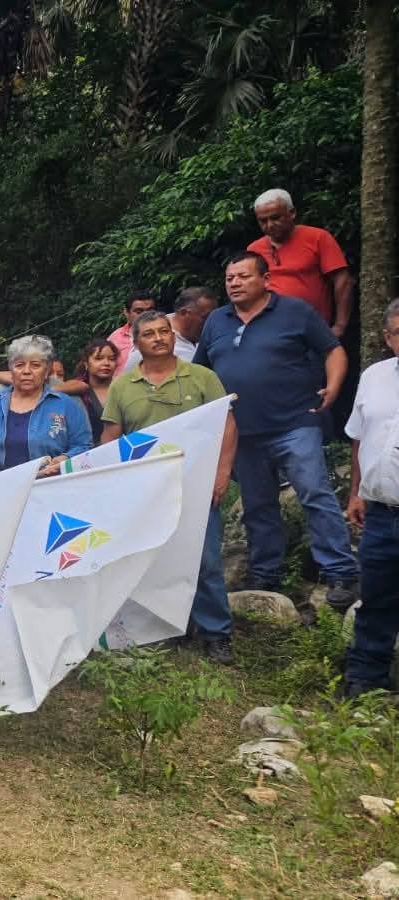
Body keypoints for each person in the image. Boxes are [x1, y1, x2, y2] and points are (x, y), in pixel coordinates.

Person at [194, 251, 358, 609]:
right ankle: (266, 574)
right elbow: (200, 373)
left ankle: (340, 570)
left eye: (243, 276)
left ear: (265, 279)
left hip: (294, 422)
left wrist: (333, 385)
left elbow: (333, 351)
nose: (234, 283)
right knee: (257, 505)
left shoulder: (294, 311)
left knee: (314, 493)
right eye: (229, 278)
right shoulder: (216, 321)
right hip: (242, 432)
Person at [102, 311, 239, 661]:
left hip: (196, 482)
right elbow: (111, 438)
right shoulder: (122, 386)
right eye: (149, 333)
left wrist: (222, 473)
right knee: (153, 558)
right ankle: (165, 626)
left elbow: (227, 425)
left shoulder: (202, 377)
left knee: (204, 558)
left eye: (165, 331)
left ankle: (215, 632)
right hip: (143, 489)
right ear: (136, 343)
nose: (159, 337)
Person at [343, 299, 399, 696]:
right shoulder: (374, 376)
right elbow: (359, 436)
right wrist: (356, 493)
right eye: (398, 333)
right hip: (380, 510)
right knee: (376, 599)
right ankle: (366, 681)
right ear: (387, 337)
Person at [0, 335, 93, 474]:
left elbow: (83, 445)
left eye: (35, 365)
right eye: (19, 365)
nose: (27, 371)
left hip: (50, 486)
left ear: (46, 371)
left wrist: (65, 458)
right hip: (2, 488)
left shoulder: (66, 404)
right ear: (11, 370)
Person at [249, 188, 353, 335]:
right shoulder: (254, 249)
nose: (269, 225)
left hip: (311, 330)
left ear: (292, 213)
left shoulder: (317, 238)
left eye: (275, 217)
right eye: (263, 221)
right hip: (269, 331)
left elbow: (343, 281)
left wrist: (340, 325)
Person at [127, 288, 217, 369]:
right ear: (185, 313)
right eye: (205, 317)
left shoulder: (207, 337)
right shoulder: (151, 340)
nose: (210, 322)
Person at [75, 339, 120, 445]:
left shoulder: (123, 389)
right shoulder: (78, 393)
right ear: (86, 363)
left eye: (112, 359)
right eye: (98, 358)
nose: (106, 363)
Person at [107, 292, 159, 375]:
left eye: (150, 311)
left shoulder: (167, 336)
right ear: (126, 312)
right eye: (139, 312)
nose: (145, 316)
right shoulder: (114, 339)